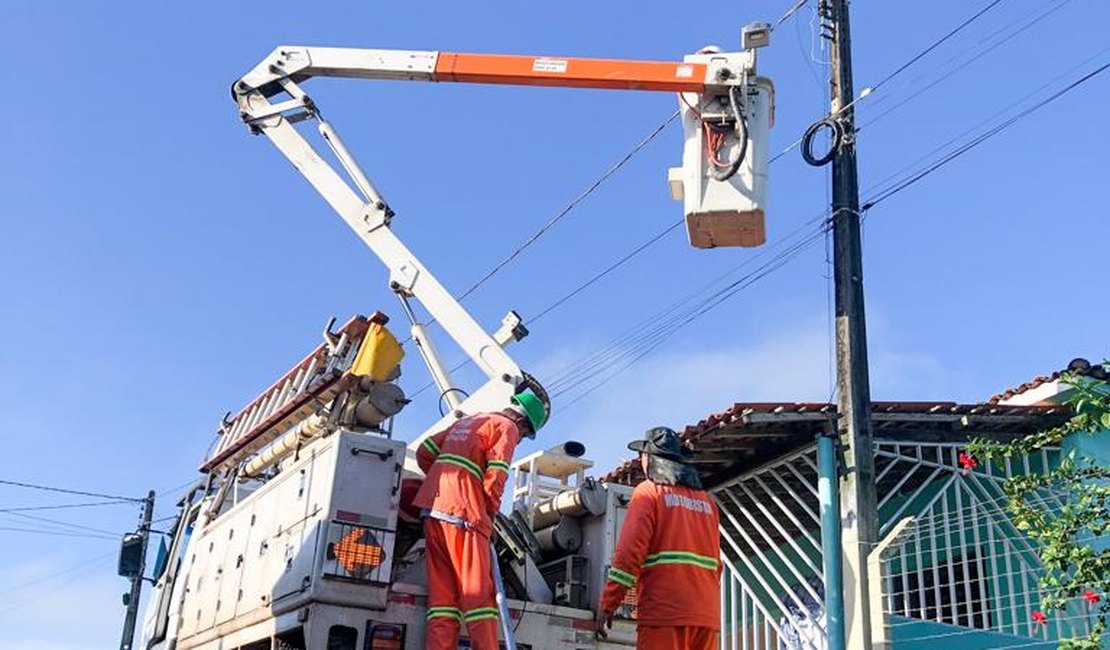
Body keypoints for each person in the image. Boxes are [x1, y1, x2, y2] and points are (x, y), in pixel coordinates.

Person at [413, 391, 548, 650]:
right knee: (478, 598)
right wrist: (488, 516)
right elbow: (496, 477)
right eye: (524, 436)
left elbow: (425, 451)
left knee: (443, 601)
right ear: (523, 424)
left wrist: (442, 481)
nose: (519, 441)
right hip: (464, 515)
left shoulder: (470, 420)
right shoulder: (506, 427)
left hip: (433, 511)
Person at [596, 426, 721, 649]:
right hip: (706, 616)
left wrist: (608, 603)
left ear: (648, 458)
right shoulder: (708, 503)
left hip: (664, 613)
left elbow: (628, 556)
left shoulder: (649, 493)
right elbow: (716, 566)